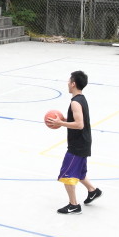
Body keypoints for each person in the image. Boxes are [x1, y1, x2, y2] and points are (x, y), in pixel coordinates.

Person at [45, 70, 100, 214]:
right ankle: (93, 191)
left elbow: (79, 124)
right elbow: (77, 121)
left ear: (74, 84)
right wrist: (64, 120)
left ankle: (74, 205)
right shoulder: (81, 98)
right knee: (80, 172)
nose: (68, 83)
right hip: (84, 142)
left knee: (67, 174)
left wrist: (60, 123)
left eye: (69, 81)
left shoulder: (75, 102)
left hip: (78, 145)